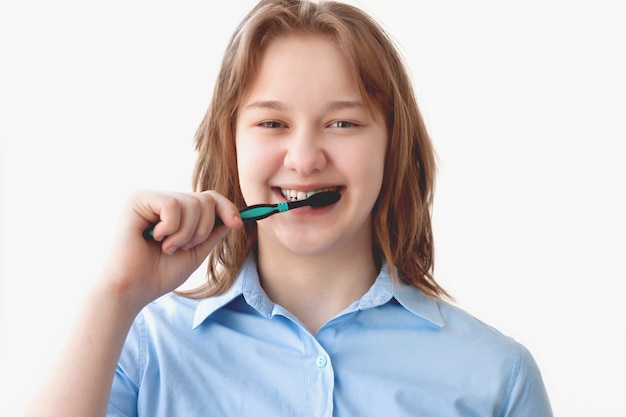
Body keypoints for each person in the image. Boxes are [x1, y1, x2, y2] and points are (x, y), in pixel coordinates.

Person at [27, 0, 553, 416]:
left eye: (343, 123)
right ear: (229, 145)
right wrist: (117, 293)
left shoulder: (496, 378)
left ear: (393, 148)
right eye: (272, 124)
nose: (304, 159)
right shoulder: (145, 351)